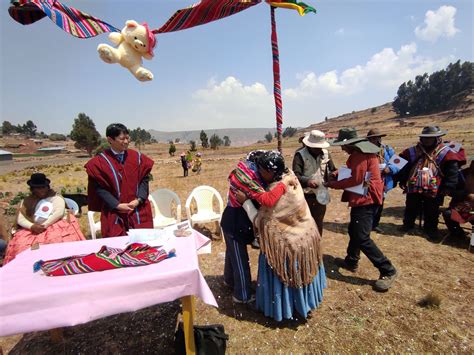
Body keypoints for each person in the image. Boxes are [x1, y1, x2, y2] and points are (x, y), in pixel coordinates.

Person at [238, 151, 326, 321]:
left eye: (261, 169)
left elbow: (262, 222)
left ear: (270, 172)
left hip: (287, 246)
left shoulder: (275, 192)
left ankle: (286, 308)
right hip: (305, 237)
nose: (258, 172)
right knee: (303, 270)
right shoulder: (290, 178)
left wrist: (246, 202)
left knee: (287, 272)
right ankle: (305, 303)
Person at [326, 128, 398, 292]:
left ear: (350, 144)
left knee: (362, 237)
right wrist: (337, 173)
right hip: (365, 196)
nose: (342, 149)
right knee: (354, 229)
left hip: (366, 198)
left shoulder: (360, 154)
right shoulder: (358, 153)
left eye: (343, 146)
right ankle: (351, 260)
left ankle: (388, 269)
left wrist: (333, 184)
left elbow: (356, 178)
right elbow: (351, 170)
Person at [221, 150, 292, 304]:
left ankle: (229, 280)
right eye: (271, 173)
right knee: (240, 261)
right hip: (235, 223)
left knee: (231, 254)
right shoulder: (249, 179)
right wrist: (284, 184)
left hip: (232, 220)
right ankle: (242, 295)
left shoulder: (246, 170)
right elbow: (268, 200)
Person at [85, 123, 154, 238]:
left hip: (137, 210)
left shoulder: (137, 158)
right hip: (114, 212)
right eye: (122, 139)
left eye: (128, 138)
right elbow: (99, 188)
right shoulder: (99, 163)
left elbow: (144, 180)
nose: (126, 142)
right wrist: (116, 205)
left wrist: (139, 200)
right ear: (110, 139)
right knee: (117, 247)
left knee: (143, 245)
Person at [398, 126, 465, 239]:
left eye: (430, 138)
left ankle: (430, 229)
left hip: (435, 186)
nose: (427, 140)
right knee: (411, 206)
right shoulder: (412, 151)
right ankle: (408, 225)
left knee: (432, 209)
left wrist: (448, 186)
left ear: (437, 138)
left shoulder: (446, 153)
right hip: (414, 185)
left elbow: (452, 172)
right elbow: (404, 166)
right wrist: (402, 179)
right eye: (425, 138)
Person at [4, 173, 86, 264]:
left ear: (47, 187)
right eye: (37, 188)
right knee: (21, 244)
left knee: (55, 239)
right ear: (33, 189)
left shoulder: (55, 198)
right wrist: (32, 226)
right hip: (32, 228)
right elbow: (20, 217)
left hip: (53, 224)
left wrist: (45, 225)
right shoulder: (27, 201)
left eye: (43, 187)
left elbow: (58, 213)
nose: (41, 190)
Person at [292, 130, 336, 236]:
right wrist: (307, 181)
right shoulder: (300, 155)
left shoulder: (326, 154)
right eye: (316, 147)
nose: (318, 149)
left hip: (321, 194)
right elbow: (295, 176)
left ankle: (316, 246)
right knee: (304, 223)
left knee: (318, 222)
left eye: (320, 146)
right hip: (305, 195)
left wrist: (334, 174)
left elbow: (332, 169)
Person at [365, 128, 400, 233]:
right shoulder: (364, 150)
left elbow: (398, 163)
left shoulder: (387, 149)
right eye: (372, 139)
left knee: (379, 203)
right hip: (367, 179)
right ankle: (366, 224)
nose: (375, 140)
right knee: (366, 202)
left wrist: (390, 169)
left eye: (377, 138)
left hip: (383, 180)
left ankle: (375, 224)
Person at [443, 160, 474, 237]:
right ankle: (458, 234)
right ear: (472, 164)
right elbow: (451, 192)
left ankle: (473, 242)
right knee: (448, 214)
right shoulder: (460, 175)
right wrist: (466, 195)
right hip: (461, 206)